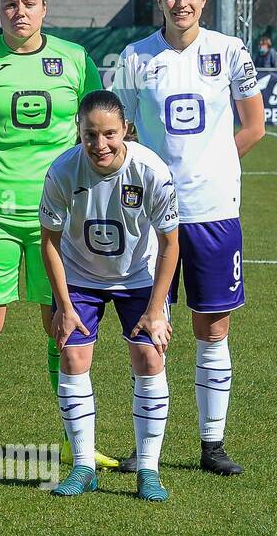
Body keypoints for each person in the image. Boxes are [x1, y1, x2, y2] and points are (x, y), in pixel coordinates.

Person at [0, 0, 119, 472]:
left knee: (62, 322)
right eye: (10, 5)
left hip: (60, 215)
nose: (20, 12)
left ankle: (72, 441)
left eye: (29, 4)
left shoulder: (76, 60)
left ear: (45, 9)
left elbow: (98, 127)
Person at [111, 0, 265, 476]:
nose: (182, 3)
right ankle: (148, 448)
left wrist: (215, 167)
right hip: (153, 217)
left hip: (215, 212)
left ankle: (211, 445)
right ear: (161, 1)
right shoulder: (135, 57)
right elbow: (125, 135)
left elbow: (254, 125)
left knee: (212, 327)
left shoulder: (230, 51)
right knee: (148, 330)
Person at [40, 90, 181, 501]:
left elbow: (171, 243)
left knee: (150, 355)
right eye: (89, 135)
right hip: (81, 274)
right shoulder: (63, 171)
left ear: (126, 132)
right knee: (71, 353)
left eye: (109, 134)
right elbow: (48, 241)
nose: (99, 144)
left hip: (139, 275)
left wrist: (157, 310)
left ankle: (149, 470)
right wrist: (63, 306)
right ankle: (84, 465)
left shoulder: (151, 170)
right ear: (78, 133)